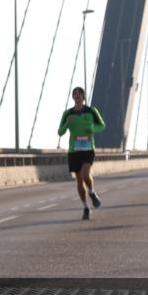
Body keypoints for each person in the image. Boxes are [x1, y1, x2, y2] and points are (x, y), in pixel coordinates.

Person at [57, 87, 106, 220]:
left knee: (85, 174)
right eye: (75, 94)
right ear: (73, 97)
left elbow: (102, 125)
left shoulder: (91, 111)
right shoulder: (67, 113)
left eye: (79, 94)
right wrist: (67, 123)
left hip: (88, 149)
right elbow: (60, 132)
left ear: (84, 97)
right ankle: (85, 207)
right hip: (74, 150)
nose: (77, 96)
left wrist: (92, 128)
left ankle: (92, 192)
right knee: (79, 181)